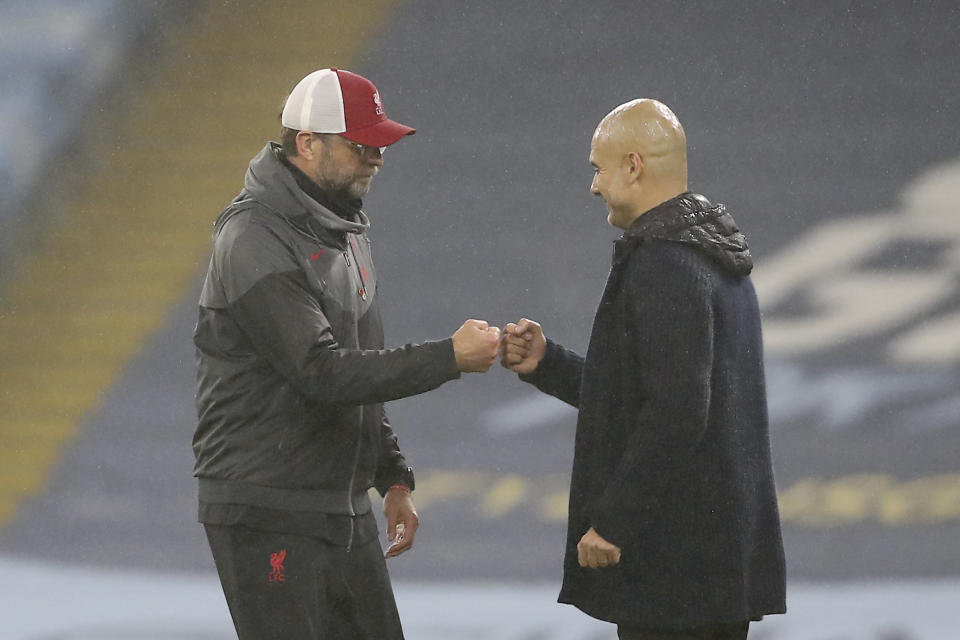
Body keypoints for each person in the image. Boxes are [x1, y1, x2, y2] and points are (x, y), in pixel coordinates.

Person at [192, 68, 500, 640]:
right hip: (269, 508)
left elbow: (360, 367)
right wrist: (448, 357)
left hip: (337, 503)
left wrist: (393, 477)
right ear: (307, 144)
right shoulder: (253, 237)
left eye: (381, 143)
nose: (377, 156)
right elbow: (324, 372)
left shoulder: (345, 231)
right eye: (362, 144)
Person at [500, 99, 786, 639]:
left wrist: (614, 518)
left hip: (677, 568)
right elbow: (649, 394)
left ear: (633, 165)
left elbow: (677, 411)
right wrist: (548, 365)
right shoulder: (710, 252)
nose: (593, 186)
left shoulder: (665, 263)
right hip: (714, 558)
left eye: (598, 169)